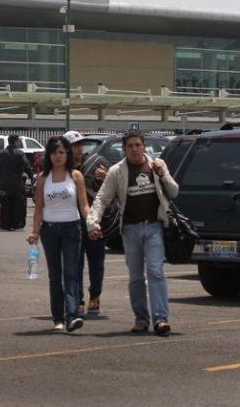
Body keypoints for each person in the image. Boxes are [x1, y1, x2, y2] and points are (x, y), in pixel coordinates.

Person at [86, 130, 179, 337]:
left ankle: (161, 319)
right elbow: (102, 198)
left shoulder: (157, 166)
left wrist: (163, 175)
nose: (135, 149)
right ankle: (141, 319)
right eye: (130, 146)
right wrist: (92, 222)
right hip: (130, 229)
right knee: (136, 277)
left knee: (155, 271)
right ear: (124, 149)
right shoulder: (116, 171)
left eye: (138, 145)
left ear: (143, 146)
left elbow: (173, 192)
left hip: (154, 226)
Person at [27, 135, 91, 333]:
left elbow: (84, 205)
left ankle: (72, 316)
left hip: (72, 228)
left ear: (67, 154)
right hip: (50, 229)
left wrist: (92, 224)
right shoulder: (43, 178)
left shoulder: (76, 176)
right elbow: (39, 208)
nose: (58, 156)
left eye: (62, 152)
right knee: (55, 275)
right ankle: (58, 317)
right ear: (49, 155)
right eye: (54, 152)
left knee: (71, 273)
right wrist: (35, 232)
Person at [63, 130, 109, 318]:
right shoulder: (60, 169)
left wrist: (107, 177)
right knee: (75, 265)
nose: (78, 149)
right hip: (71, 225)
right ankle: (78, 300)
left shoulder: (98, 163)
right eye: (74, 146)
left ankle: (95, 297)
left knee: (96, 262)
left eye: (80, 145)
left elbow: (116, 187)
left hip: (94, 223)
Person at [0, 135, 33, 231]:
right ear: (16, 141)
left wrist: (0, 177)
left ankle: (5, 224)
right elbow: (26, 166)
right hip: (17, 184)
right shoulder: (20, 153)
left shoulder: (0, 153)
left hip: (4, 183)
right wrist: (31, 177)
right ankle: (17, 224)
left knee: (5, 205)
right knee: (18, 204)